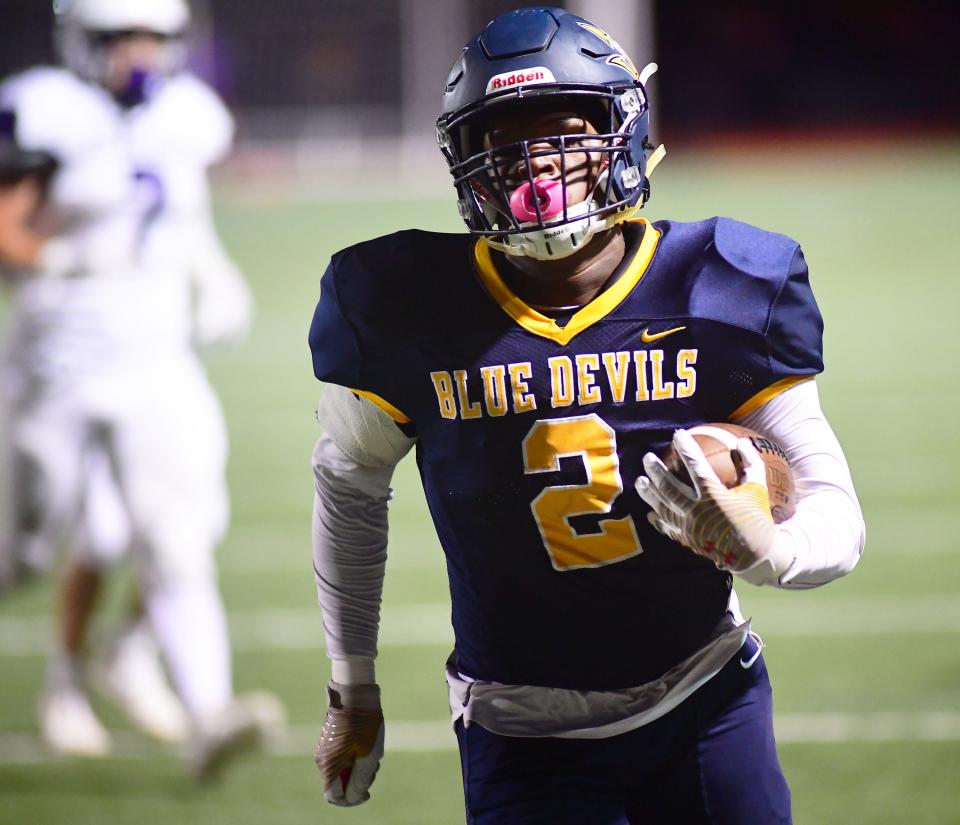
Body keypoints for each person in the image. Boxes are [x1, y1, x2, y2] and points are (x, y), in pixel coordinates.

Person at [308, 7, 865, 822]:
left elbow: (838, 515)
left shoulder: (723, 285)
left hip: (708, 697)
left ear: (624, 135)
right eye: (503, 144)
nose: (535, 167)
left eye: (563, 134)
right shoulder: (401, 304)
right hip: (520, 727)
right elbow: (349, 487)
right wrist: (351, 689)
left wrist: (769, 546)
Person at [0, 0, 282, 775]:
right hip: (55, 361)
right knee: (25, 552)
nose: (139, 54)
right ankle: (74, 673)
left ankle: (206, 712)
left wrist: (208, 272)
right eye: (121, 38)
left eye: (154, 39)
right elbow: (6, 224)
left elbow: (180, 213)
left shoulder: (187, 114)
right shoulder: (45, 110)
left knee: (180, 534)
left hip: (154, 354)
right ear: (82, 41)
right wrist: (50, 261)